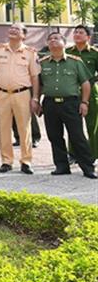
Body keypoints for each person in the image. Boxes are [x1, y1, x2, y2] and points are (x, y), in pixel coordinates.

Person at [36, 32, 96, 179]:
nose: (53, 41)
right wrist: (36, 100)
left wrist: (84, 102)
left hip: (70, 103)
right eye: (50, 39)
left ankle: (88, 168)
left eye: (56, 38)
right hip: (50, 104)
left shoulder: (75, 62)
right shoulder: (42, 63)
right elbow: (38, 84)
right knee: (54, 136)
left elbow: (85, 83)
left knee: (77, 136)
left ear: (64, 42)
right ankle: (61, 166)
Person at [0, 23, 40, 174]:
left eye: (17, 29)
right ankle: (6, 161)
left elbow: (35, 77)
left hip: (22, 94)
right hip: (2, 94)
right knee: (3, 128)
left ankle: (26, 161)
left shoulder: (30, 53)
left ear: (24, 35)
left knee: (25, 129)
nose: (13, 30)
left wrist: (35, 97)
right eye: (11, 28)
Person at [69, 25, 98, 159]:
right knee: (73, 124)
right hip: (72, 92)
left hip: (91, 93)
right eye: (75, 32)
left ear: (88, 37)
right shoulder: (68, 52)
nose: (77, 34)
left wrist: (91, 80)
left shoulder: (94, 53)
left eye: (81, 32)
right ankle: (73, 153)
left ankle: (92, 154)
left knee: (92, 124)